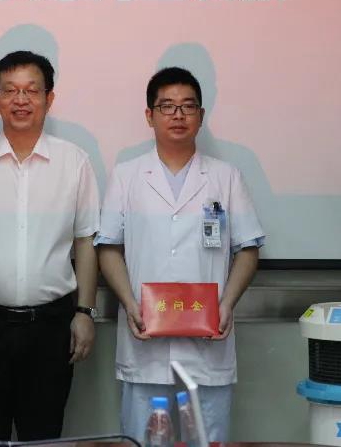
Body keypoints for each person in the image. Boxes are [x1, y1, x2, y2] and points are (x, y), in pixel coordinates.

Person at [0, 50, 100, 441]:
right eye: (10, 90)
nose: (21, 100)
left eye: (31, 90)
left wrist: (85, 312)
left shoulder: (74, 162)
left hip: (51, 326)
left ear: (49, 98)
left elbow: (85, 243)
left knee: (42, 435)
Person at [96, 67, 265, 444]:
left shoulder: (226, 176)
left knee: (208, 440)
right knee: (142, 440)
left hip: (209, 340)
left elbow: (248, 249)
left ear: (200, 116)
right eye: (167, 106)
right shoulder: (126, 175)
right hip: (145, 336)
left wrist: (227, 304)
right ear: (149, 115)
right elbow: (108, 247)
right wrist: (130, 303)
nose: (178, 115)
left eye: (188, 106)